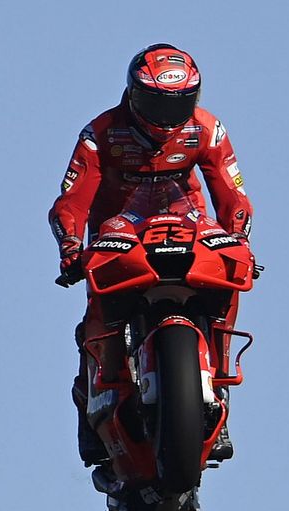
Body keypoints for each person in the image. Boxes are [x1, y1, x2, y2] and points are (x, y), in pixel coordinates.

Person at [48, 43, 254, 466]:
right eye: (154, 102)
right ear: (132, 94)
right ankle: (93, 401)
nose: (165, 116)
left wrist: (239, 239)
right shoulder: (99, 133)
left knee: (232, 273)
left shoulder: (209, 129)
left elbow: (234, 197)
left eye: (177, 103)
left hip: (188, 219)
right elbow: (70, 202)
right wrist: (71, 250)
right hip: (119, 226)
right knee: (96, 309)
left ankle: (218, 388)